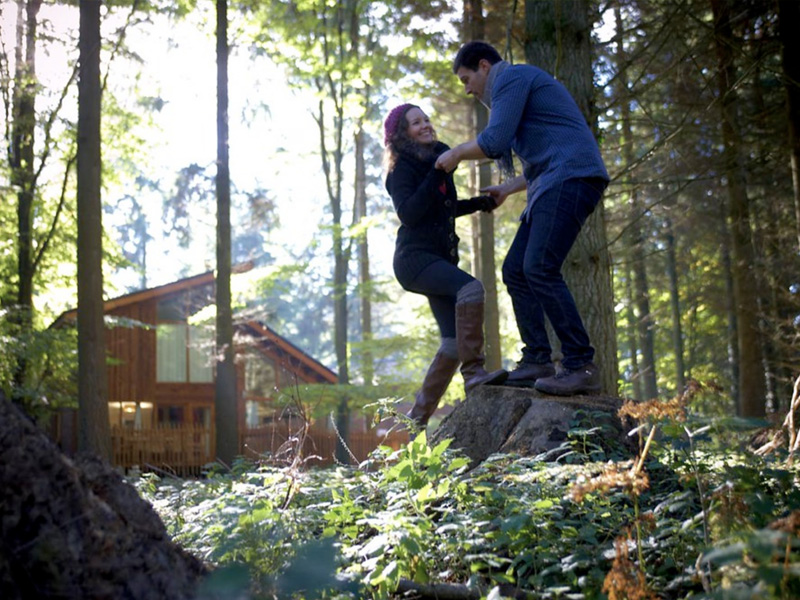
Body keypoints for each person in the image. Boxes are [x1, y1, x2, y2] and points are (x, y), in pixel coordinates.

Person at [435, 41, 610, 396]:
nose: (468, 89)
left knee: (539, 267)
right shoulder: (512, 90)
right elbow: (544, 155)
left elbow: (495, 140)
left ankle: (580, 364)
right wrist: (508, 189)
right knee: (516, 269)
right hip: (553, 180)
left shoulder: (514, 78)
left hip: (571, 177)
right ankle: (537, 359)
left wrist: (455, 154)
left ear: (484, 66)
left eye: (467, 79)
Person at [383, 103, 508, 430]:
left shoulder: (436, 160)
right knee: (471, 288)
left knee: (452, 344)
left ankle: (416, 423)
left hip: (436, 258)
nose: (425, 125)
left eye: (426, 119)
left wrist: (482, 203)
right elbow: (409, 213)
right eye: (415, 123)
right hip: (414, 261)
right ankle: (475, 375)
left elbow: (442, 209)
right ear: (402, 134)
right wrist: (438, 172)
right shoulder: (402, 170)